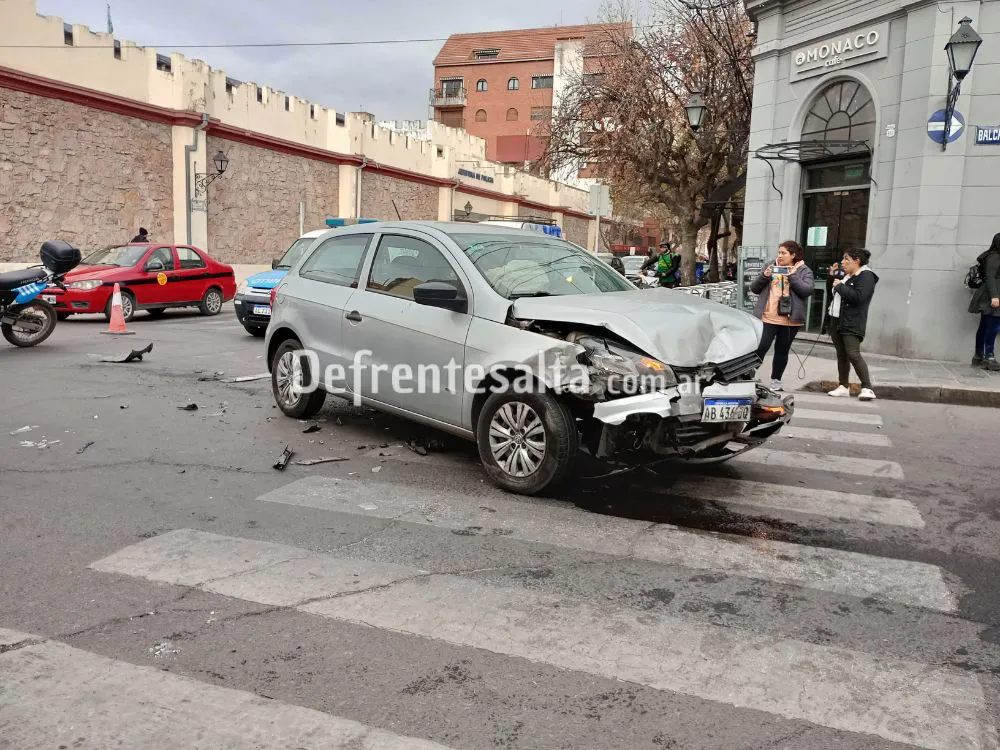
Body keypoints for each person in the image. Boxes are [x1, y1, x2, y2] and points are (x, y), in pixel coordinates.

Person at [750, 240, 814, 391]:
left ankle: (776, 381)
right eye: (779, 252)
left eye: (784, 253)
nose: (780, 255)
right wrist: (764, 276)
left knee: (782, 350)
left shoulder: (803, 270)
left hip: (790, 320)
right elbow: (754, 288)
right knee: (761, 347)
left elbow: (807, 291)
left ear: (793, 255)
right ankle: (747, 375)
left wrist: (792, 276)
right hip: (768, 316)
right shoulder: (770, 266)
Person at [826, 248, 879, 401]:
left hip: (852, 322)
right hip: (837, 320)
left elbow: (858, 298)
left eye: (846, 259)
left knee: (853, 354)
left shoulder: (866, 277)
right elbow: (835, 293)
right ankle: (843, 386)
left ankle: (867, 388)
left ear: (857, 261)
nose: (842, 262)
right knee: (841, 355)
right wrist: (833, 277)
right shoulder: (847, 276)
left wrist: (840, 286)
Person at [969, 233, 1000, 371]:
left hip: (992, 295)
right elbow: (990, 277)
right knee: (993, 326)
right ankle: (989, 357)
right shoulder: (994, 256)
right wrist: (994, 296)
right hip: (991, 296)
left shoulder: (993, 255)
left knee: (985, 325)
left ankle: (979, 356)